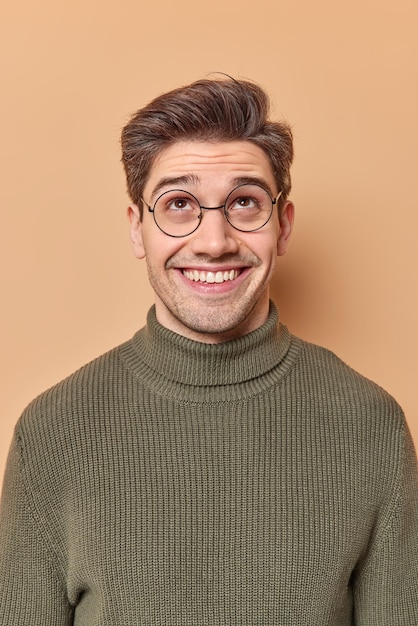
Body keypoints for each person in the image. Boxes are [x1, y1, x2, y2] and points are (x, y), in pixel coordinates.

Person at [0, 77, 417, 626]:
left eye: (245, 202)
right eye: (178, 204)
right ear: (137, 229)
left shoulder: (370, 425)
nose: (214, 241)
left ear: (283, 226)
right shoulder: (54, 429)